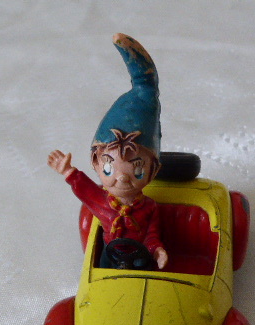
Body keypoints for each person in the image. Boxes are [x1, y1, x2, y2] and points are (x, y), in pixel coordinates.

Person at [47, 33, 168, 270]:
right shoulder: (101, 201)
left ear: (153, 170)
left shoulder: (149, 208)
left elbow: (152, 236)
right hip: (109, 256)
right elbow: (83, 188)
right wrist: (67, 171)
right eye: (109, 167)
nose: (121, 178)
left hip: (140, 260)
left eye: (137, 169)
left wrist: (158, 250)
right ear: (96, 163)